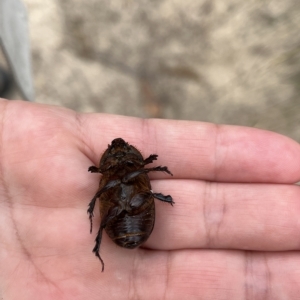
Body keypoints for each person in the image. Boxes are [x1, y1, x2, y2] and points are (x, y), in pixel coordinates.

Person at [0, 98, 300, 299]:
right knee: (118, 197)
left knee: (118, 196)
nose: (117, 149)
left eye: (122, 150)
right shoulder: (122, 173)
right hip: (128, 215)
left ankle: (111, 223)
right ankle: (101, 238)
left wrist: (143, 175)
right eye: (115, 151)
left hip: (132, 210)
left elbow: (119, 179)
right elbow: (121, 180)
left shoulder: (114, 174)